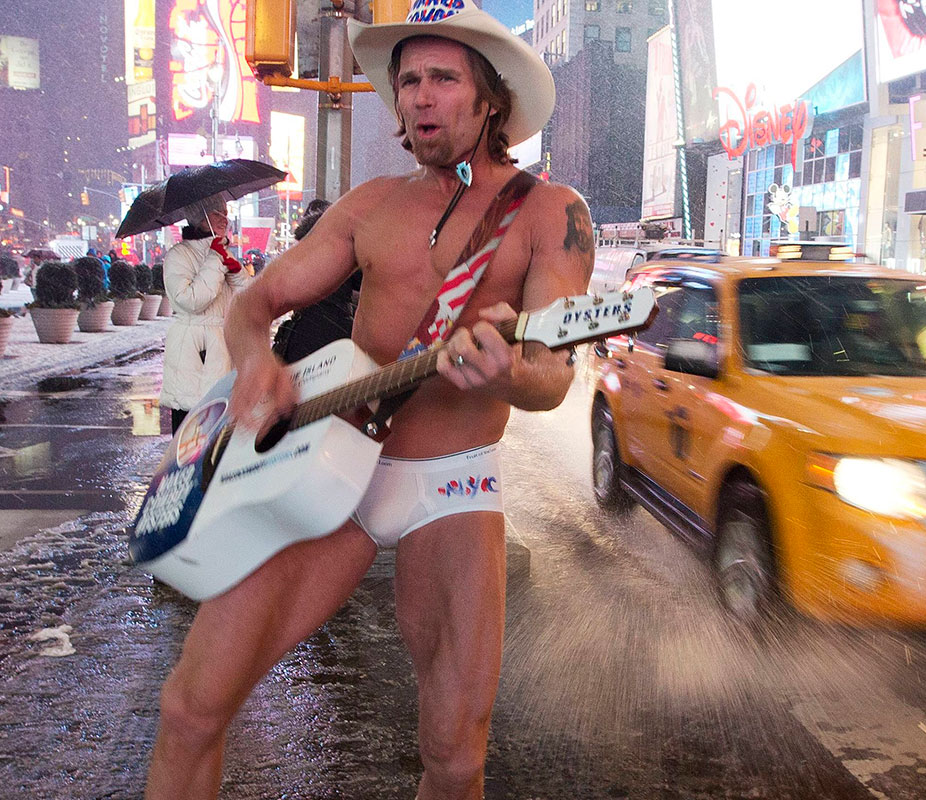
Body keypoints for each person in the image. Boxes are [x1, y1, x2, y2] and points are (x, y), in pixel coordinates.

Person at [144, 2, 594, 798]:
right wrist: (254, 367)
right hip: (331, 464)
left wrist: (507, 374)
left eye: (444, 78)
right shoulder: (369, 205)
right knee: (189, 707)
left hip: (451, 482)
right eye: (409, 80)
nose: (420, 97)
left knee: (454, 760)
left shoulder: (551, 214)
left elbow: (552, 377)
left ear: (490, 97)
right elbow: (255, 307)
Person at [159, 194, 251, 432]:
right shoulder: (180, 255)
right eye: (216, 213)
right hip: (194, 351)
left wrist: (237, 271)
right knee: (191, 435)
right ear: (199, 217)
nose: (225, 219)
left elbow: (249, 298)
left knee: (221, 434)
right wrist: (215, 260)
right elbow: (190, 300)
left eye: (225, 212)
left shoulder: (221, 251)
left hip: (223, 346)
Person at [270, 198, 364, 364]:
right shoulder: (344, 255)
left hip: (302, 331)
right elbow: (363, 282)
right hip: (338, 331)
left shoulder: (295, 258)